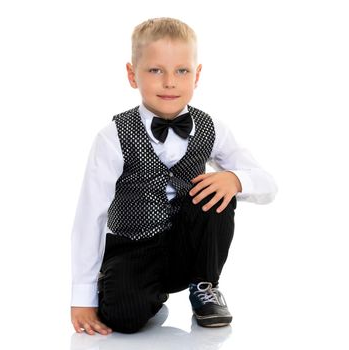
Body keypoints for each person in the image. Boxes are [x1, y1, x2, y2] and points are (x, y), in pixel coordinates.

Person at [70, 17, 277, 335]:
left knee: (218, 189)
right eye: (155, 70)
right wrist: (82, 296)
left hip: (188, 251)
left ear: (197, 76)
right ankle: (141, 294)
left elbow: (266, 184)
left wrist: (235, 179)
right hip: (133, 246)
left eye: (182, 71)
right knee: (123, 319)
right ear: (132, 75)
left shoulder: (213, 128)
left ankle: (204, 287)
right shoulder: (113, 136)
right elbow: (90, 213)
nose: (170, 82)